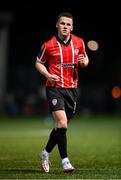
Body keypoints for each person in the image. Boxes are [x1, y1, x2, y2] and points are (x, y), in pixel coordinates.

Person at [35, 12, 89, 173]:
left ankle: (45, 153)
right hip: (54, 88)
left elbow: (85, 59)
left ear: (72, 27)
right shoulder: (48, 45)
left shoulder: (79, 42)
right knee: (62, 122)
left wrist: (84, 62)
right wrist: (47, 75)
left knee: (61, 126)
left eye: (68, 24)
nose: (65, 26)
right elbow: (38, 63)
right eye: (62, 23)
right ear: (57, 25)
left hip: (72, 89)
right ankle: (65, 161)